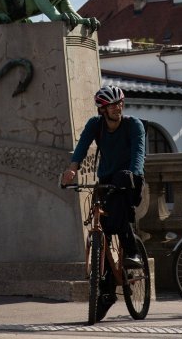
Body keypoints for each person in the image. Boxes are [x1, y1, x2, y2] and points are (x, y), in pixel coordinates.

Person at [61, 85, 146, 267]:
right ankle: (105, 291)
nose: (118, 107)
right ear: (103, 109)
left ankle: (133, 253)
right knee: (103, 226)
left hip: (129, 179)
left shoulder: (133, 125)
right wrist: (72, 170)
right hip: (107, 179)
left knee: (120, 213)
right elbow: (82, 147)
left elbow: (138, 154)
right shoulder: (95, 124)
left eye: (120, 103)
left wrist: (133, 174)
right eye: (112, 105)